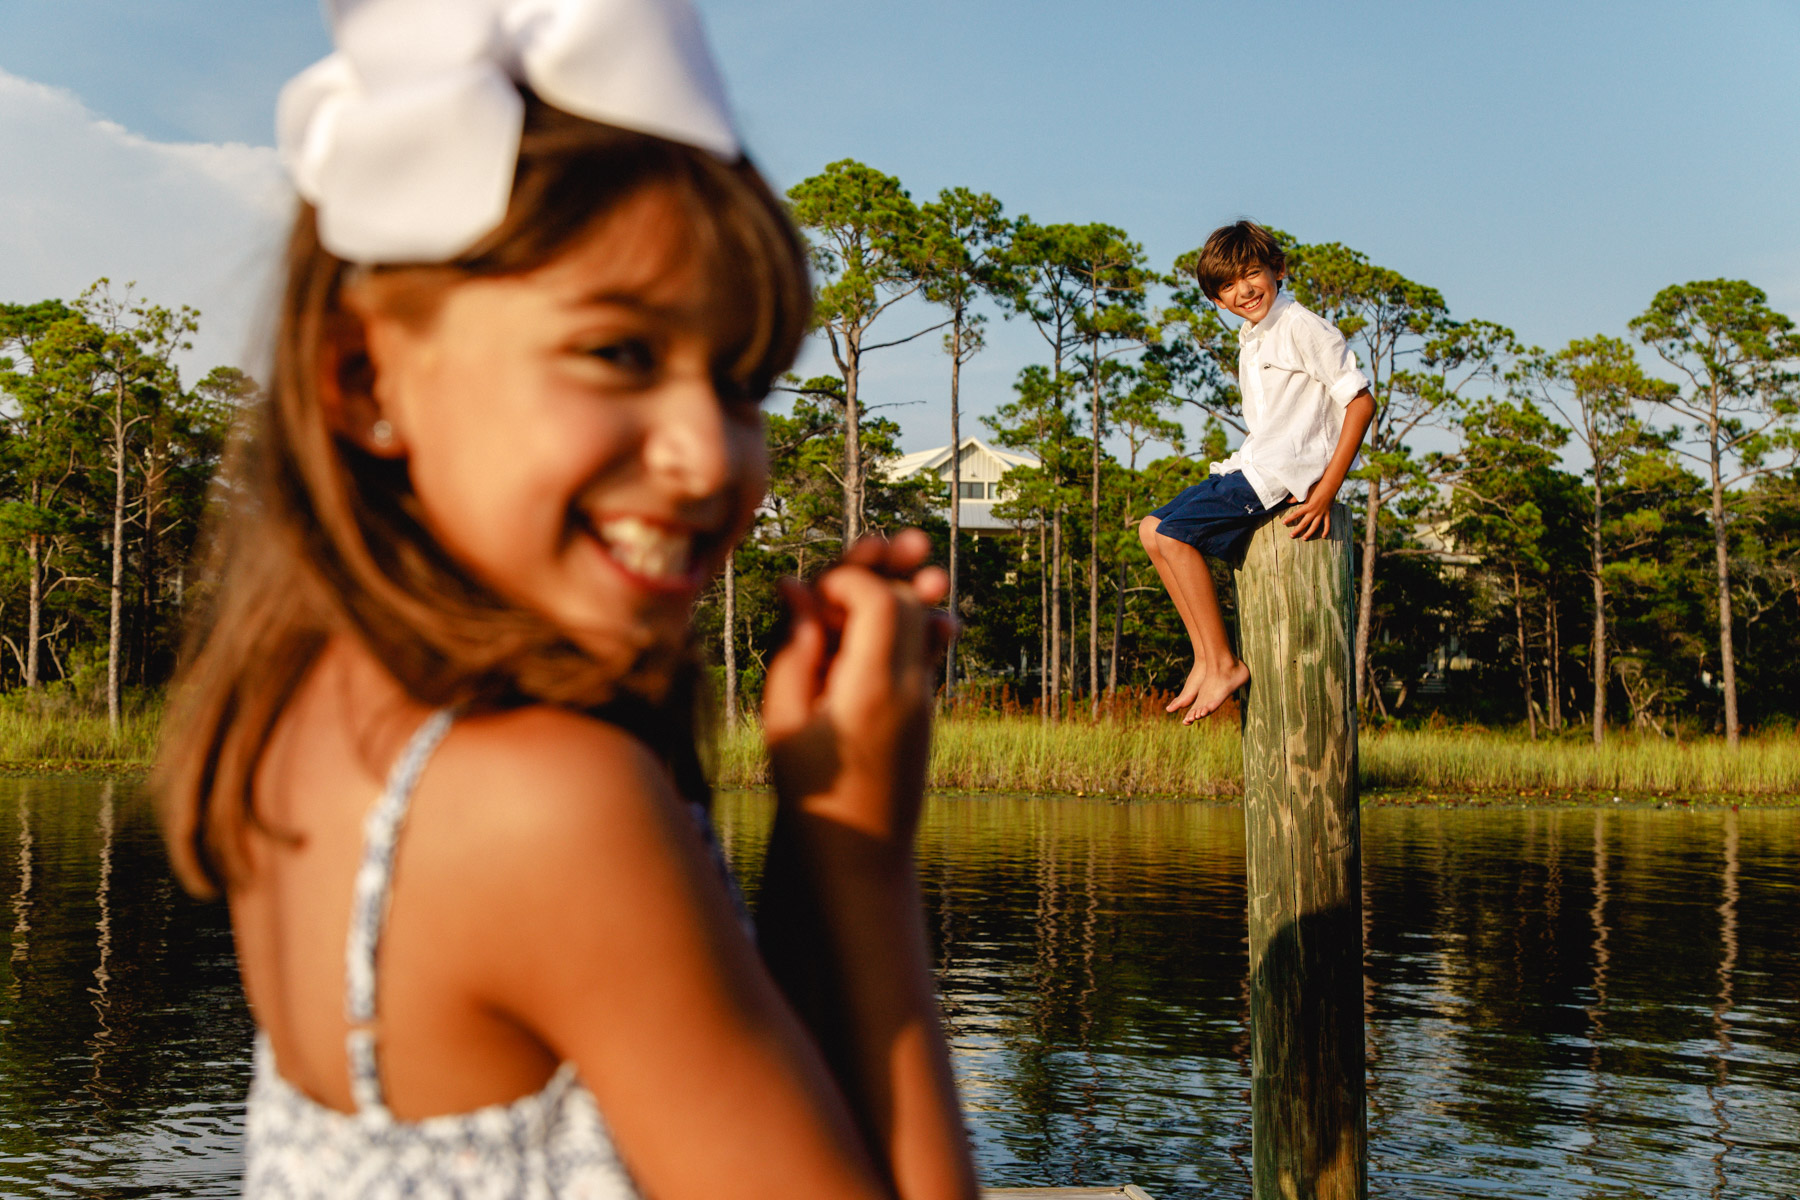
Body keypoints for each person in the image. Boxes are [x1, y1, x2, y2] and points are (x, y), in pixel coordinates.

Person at [154, 2, 979, 1197]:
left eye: (742, 380)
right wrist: (861, 851)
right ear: (363, 375)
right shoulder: (545, 807)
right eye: (622, 354)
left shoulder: (313, 712)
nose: (711, 455)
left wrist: (813, 810)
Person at [1139, 220, 1376, 724]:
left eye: (1251, 274)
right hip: (1253, 462)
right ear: (1217, 301)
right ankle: (1207, 658)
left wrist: (1324, 490)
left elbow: (1359, 403)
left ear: (1278, 270)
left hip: (1281, 475)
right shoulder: (1253, 337)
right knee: (1151, 530)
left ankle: (1224, 663)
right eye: (1227, 285)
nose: (1243, 290)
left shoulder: (1300, 325)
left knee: (1178, 537)